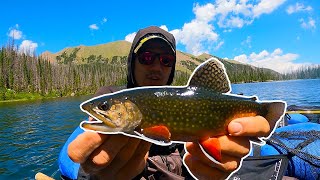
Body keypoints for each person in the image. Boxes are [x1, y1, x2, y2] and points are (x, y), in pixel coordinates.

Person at [67, 26, 273, 179]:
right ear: (132, 62)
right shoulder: (112, 94)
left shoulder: (192, 99)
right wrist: (93, 175)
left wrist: (212, 168)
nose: (157, 66)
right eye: (147, 57)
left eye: (166, 60)